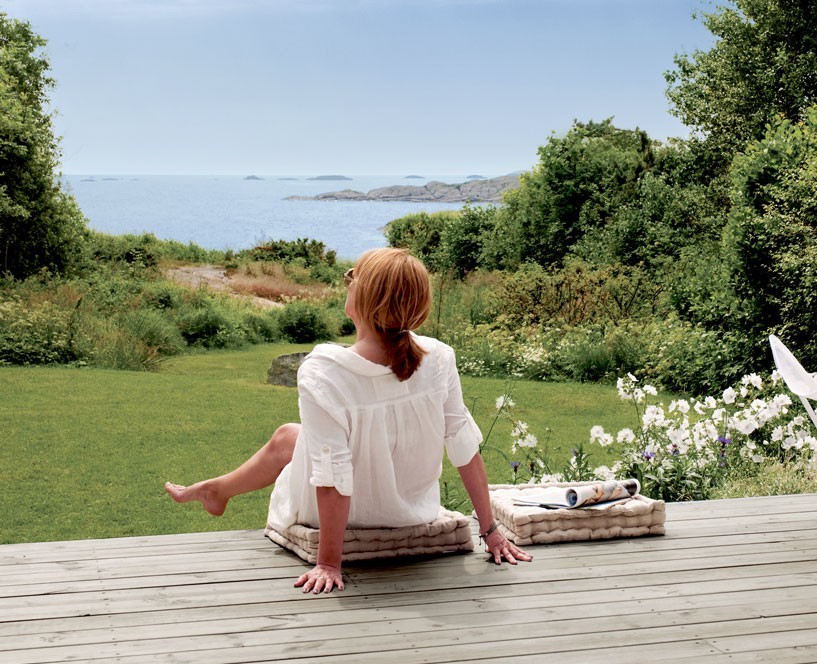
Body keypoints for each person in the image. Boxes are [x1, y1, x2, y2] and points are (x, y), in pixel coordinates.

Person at [165, 247, 531, 593]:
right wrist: (491, 531)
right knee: (290, 436)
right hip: (411, 510)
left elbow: (331, 475)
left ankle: (217, 490)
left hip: (352, 513)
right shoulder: (438, 358)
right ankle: (219, 490)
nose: (348, 280)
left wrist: (328, 563)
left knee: (296, 439)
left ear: (367, 297)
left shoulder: (325, 371)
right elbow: (465, 448)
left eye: (353, 277)